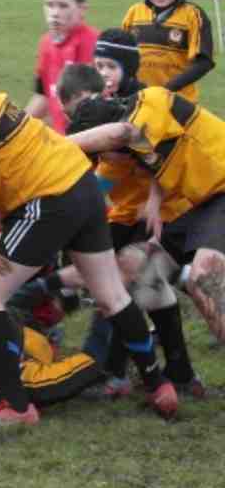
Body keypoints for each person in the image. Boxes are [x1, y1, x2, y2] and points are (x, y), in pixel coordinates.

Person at [0, 28, 178, 429]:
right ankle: (160, 385)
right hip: (78, 189)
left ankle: (18, 408)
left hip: (48, 201)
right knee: (111, 294)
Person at [57, 52, 201, 398]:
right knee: (133, 281)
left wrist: (153, 200)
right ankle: (175, 372)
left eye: (111, 66)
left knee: (127, 277)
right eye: (99, 66)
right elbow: (94, 185)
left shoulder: (144, 111)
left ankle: (115, 370)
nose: (105, 75)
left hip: (182, 209)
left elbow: (161, 160)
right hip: (135, 215)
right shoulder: (106, 140)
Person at [61, 76, 225, 348]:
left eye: (102, 154)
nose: (105, 161)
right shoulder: (119, 156)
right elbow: (93, 187)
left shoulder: (151, 101)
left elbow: (125, 134)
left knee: (203, 275)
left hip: (219, 191)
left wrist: (52, 143)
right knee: (139, 269)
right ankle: (179, 371)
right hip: (197, 205)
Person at [122, 0, 215, 104]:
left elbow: (204, 62)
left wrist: (166, 90)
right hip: (140, 102)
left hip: (179, 104)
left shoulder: (193, 15)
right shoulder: (134, 13)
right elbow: (122, 57)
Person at [25, 0, 98, 134]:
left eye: (63, 6)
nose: (55, 13)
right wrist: (15, 128)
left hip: (88, 142)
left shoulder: (93, 43)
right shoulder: (46, 43)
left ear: (82, 9)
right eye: (49, 5)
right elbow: (43, 96)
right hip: (63, 142)